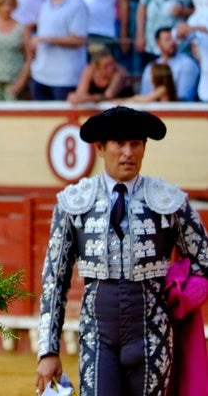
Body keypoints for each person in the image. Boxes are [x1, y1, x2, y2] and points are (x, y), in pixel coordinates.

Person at [35, 105, 208, 396]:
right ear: (101, 148)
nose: (128, 152)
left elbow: (204, 261)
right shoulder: (75, 203)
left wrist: (183, 293)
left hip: (152, 336)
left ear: (144, 148)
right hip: (97, 338)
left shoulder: (169, 201)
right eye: (119, 143)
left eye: (136, 144)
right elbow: (55, 281)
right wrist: (48, 351)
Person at [28, 0, 88, 101]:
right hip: (41, 74)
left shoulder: (77, 5)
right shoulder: (46, 3)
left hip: (65, 78)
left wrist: (47, 39)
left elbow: (79, 39)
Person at [135, 0, 200, 67]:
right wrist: (139, 34)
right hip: (151, 42)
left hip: (179, 46)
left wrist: (184, 11)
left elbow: (203, 11)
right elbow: (142, 5)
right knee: (152, 76)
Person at [139, 26, 199, 101]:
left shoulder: (188, 64)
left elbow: (185, 98)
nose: (172, 42)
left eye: (174, 39)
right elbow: (144, 94)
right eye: (167, 39)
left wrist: (162, 92)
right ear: (158, 43)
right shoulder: (150, 67)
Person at [66, 44, 133, 105]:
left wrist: (85, 99)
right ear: (97, 68)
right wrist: (76, 98)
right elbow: (80, 93)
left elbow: (108, 96)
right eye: (106, 66)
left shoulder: (119, 73)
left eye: (112, 63)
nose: (111, 68)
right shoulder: (90, 70)